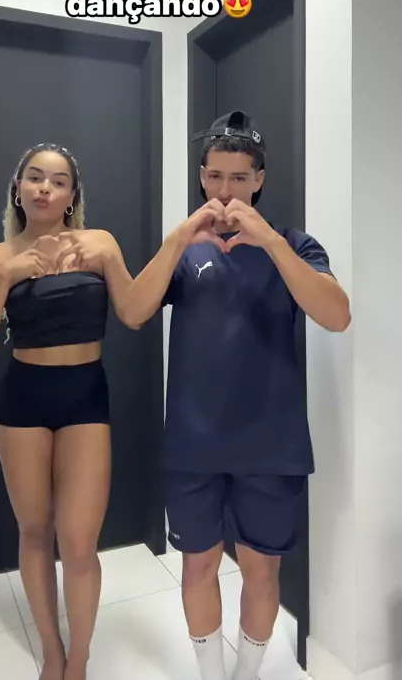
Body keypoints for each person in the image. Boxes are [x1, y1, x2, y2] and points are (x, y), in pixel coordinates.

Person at [89, 110, 351, 680]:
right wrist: (177, 238)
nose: (225, 191)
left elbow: (336, 315)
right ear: (201, 176)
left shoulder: (295, 244)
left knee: (261, 572)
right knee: (198, 565)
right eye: (213, 177)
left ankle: (246, 674)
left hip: (272, 445)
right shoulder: (186, 250)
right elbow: (133, 311)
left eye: (238, 178)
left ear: (259, 179)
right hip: (194, 443)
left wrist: (272, 243)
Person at [0, 142, 144, 680]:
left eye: (58, 181)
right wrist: (7, 277)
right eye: (35, 177)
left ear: (71, 195)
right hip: (23, 399)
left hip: (85, 395)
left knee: (79, 542)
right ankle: (52, 649)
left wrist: (110, 263)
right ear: (18, 188)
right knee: (35, 531)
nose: (44, 188)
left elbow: (134, 313)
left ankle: (79, 657)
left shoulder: (99, 242)